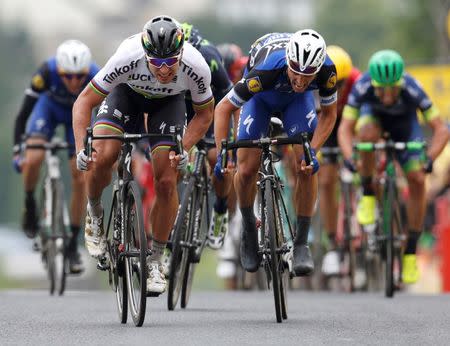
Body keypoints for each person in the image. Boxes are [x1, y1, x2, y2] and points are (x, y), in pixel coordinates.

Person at [73, 15, 214, 294]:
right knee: (103, 154)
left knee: (166, 178)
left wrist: (184, 147)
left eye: (171, 62)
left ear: (181, 54)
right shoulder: (127, 56)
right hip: (125, 95)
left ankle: (155, 261)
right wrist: (81, 148)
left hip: (168, 104)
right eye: (157, 62)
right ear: (145, 53)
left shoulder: (196, 66)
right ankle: (95, 213)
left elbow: (205, 113)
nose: (163, 70)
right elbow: (84, 102)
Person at [214, 30, 337, 276]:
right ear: (288, 61)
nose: (301, 81)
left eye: (308, 75)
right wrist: (222, 154)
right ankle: (250, 227)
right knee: (247, 169)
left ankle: (301, 242)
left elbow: (329, 114)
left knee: (306, 165)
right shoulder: (266, 70)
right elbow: (223, 108)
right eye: (295, 71)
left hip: (295, 103)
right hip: (261, 99)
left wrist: (313, 150)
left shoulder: (326, 70)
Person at [338, 49, 450, 284]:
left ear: (400, 83)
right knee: (366, 136)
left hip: (405, 126)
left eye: (393, 90)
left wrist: (429, 158)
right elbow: (346, 128)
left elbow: (441, 129)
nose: (387, 96)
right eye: (381, 89)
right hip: (373, 121)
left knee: (418, 179)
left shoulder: (412, 87)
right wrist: (350, 158)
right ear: (373, 84)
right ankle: (368, 192)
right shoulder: (362, 86)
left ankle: (409, 251)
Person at [12, 39, 99, 274]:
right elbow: (23, 114)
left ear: (86, 72)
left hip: (78, 118)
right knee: (34, 158)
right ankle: (30, 203)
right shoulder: (46, 72)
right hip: (48, 110)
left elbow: (103, 116)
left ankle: (72, 245)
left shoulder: (96, 74)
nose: (73, 81)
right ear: (58, 71)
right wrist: (17, 149)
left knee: (81, 176)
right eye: (67, 76)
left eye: (79, 76)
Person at [181, 22, 234, 250]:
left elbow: (229, 100)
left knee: (216, 158)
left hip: (211, 105)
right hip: (181, 105)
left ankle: (220, 209)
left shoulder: (210, 58)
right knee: (171, 159)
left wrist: (229, 142)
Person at [318, 45, 362, 276]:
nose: (338, 88)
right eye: (334, 83)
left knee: (363, 157)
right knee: (325, 180)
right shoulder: (317, 80)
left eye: (342, 83)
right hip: (327, 120)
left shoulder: (358, 81)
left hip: (350, 121)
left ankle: (364, 210)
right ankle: (331, 244)